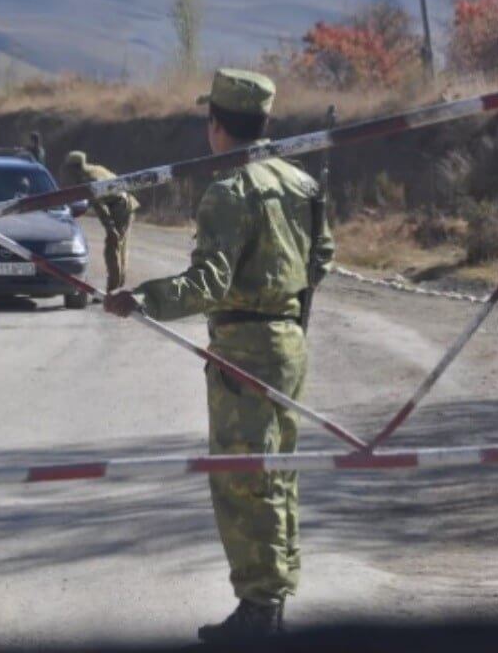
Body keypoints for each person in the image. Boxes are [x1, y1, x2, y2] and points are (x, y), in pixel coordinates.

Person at [104, 69, 335, 642]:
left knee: (241, 481)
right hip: (289, 342)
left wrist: (143, 299)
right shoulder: (300, 182)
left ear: (216, 126)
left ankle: (259, 608)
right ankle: (274, 594)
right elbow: (322, 257)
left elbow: (208, 282)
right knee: (277, 474)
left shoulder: (230, 190)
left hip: (245, 352)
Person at [60, 150, 139, 293]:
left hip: (120, 206)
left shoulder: (89, 180)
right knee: (120, 247)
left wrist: (111, 228)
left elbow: (100, 207)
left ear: (75, 167)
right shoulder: (94, 169)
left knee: (112, 247)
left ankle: (113, 289)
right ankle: (118, 286)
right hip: (124, 203)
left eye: (69, 168)